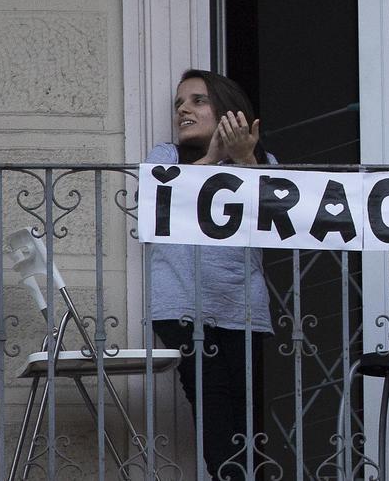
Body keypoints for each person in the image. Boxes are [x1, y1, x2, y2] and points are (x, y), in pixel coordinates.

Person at [146, 69, 272, 479]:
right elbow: (157, 204)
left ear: (226, 109)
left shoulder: (262, 162)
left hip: (243, 307)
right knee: (215, 415)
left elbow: (272, 220)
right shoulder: (164, 158)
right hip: (183, 306)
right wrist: (215, 158)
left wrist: (244, 160)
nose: (183, 109)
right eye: (179, 103)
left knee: (248, 426)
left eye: (197, 100)